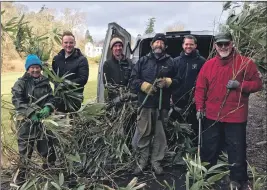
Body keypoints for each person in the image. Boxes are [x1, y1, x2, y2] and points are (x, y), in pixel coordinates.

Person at [194, 32, 262, 190]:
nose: (223, 47)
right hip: (212, 114)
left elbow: (258, 84)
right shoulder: (208, 65)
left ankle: (238, 179)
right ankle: (208, 176)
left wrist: (240, 85)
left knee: (236, 148)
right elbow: (200, 88)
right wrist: (199, 107)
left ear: (232, 44)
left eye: (226, 43)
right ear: (215, 46)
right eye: (220, 44)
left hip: (235, 115)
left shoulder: (245, 63)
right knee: (210, 147)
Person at [130, 33, 179, 175]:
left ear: (165, 46)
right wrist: (144, 86)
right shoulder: (143, 61)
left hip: (162, 106)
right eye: (156, 42)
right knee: (143, 134)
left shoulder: (171, 62)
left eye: (161, 43)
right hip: (145, 105)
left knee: (160, 135)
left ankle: (156, 162)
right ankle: (142, 162)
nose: (159, 44)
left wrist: (169, 82)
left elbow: (179, 80)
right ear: (152, 45)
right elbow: (132, 80)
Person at [11, 54, 56, 185]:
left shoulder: (45, 82)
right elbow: (17, 100)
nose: (35, 70)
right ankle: (21, 180)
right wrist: (30, 113)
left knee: (47, 150)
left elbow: (51, 97)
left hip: (43, 123)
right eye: (32, 68)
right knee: (25, 154)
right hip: (26, 125)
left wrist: (48, 107)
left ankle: (49, 176)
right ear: (27, 69)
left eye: (37, 67)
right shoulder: (21, 83)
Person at [171, 35, 206, 143]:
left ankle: (194, 150)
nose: (188, 46)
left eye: (191, 44)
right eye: (186, 44)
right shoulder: (175, 61)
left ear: (195, 45)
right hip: (177, 102)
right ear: (183, 45)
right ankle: (178, 149)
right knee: (176, 128)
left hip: (194, 103)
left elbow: (204, 82)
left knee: (194, 128)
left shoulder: (202, 62)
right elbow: (170, 80)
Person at [52, 31, 89, 112]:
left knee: (73, 123)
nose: (68, 45)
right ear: (62, 43)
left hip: (74, 101)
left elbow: (83, 79)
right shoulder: (56, 59)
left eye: (71, 43)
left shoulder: (82, 59)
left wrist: (66, 84)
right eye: (66, 42)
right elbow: (53, 77)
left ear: (74, 43)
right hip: (59, 100)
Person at [103, 37, 134, 101]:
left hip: (128, 98)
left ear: (122, 48)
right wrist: (117, 95)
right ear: (112, 49)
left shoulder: (129, 62)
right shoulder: (107, 64)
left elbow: (133, 79)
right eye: (115, 46)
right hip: (114, 99)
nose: (118, 48)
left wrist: (128, 93)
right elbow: (106, 83)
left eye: (120, 46)